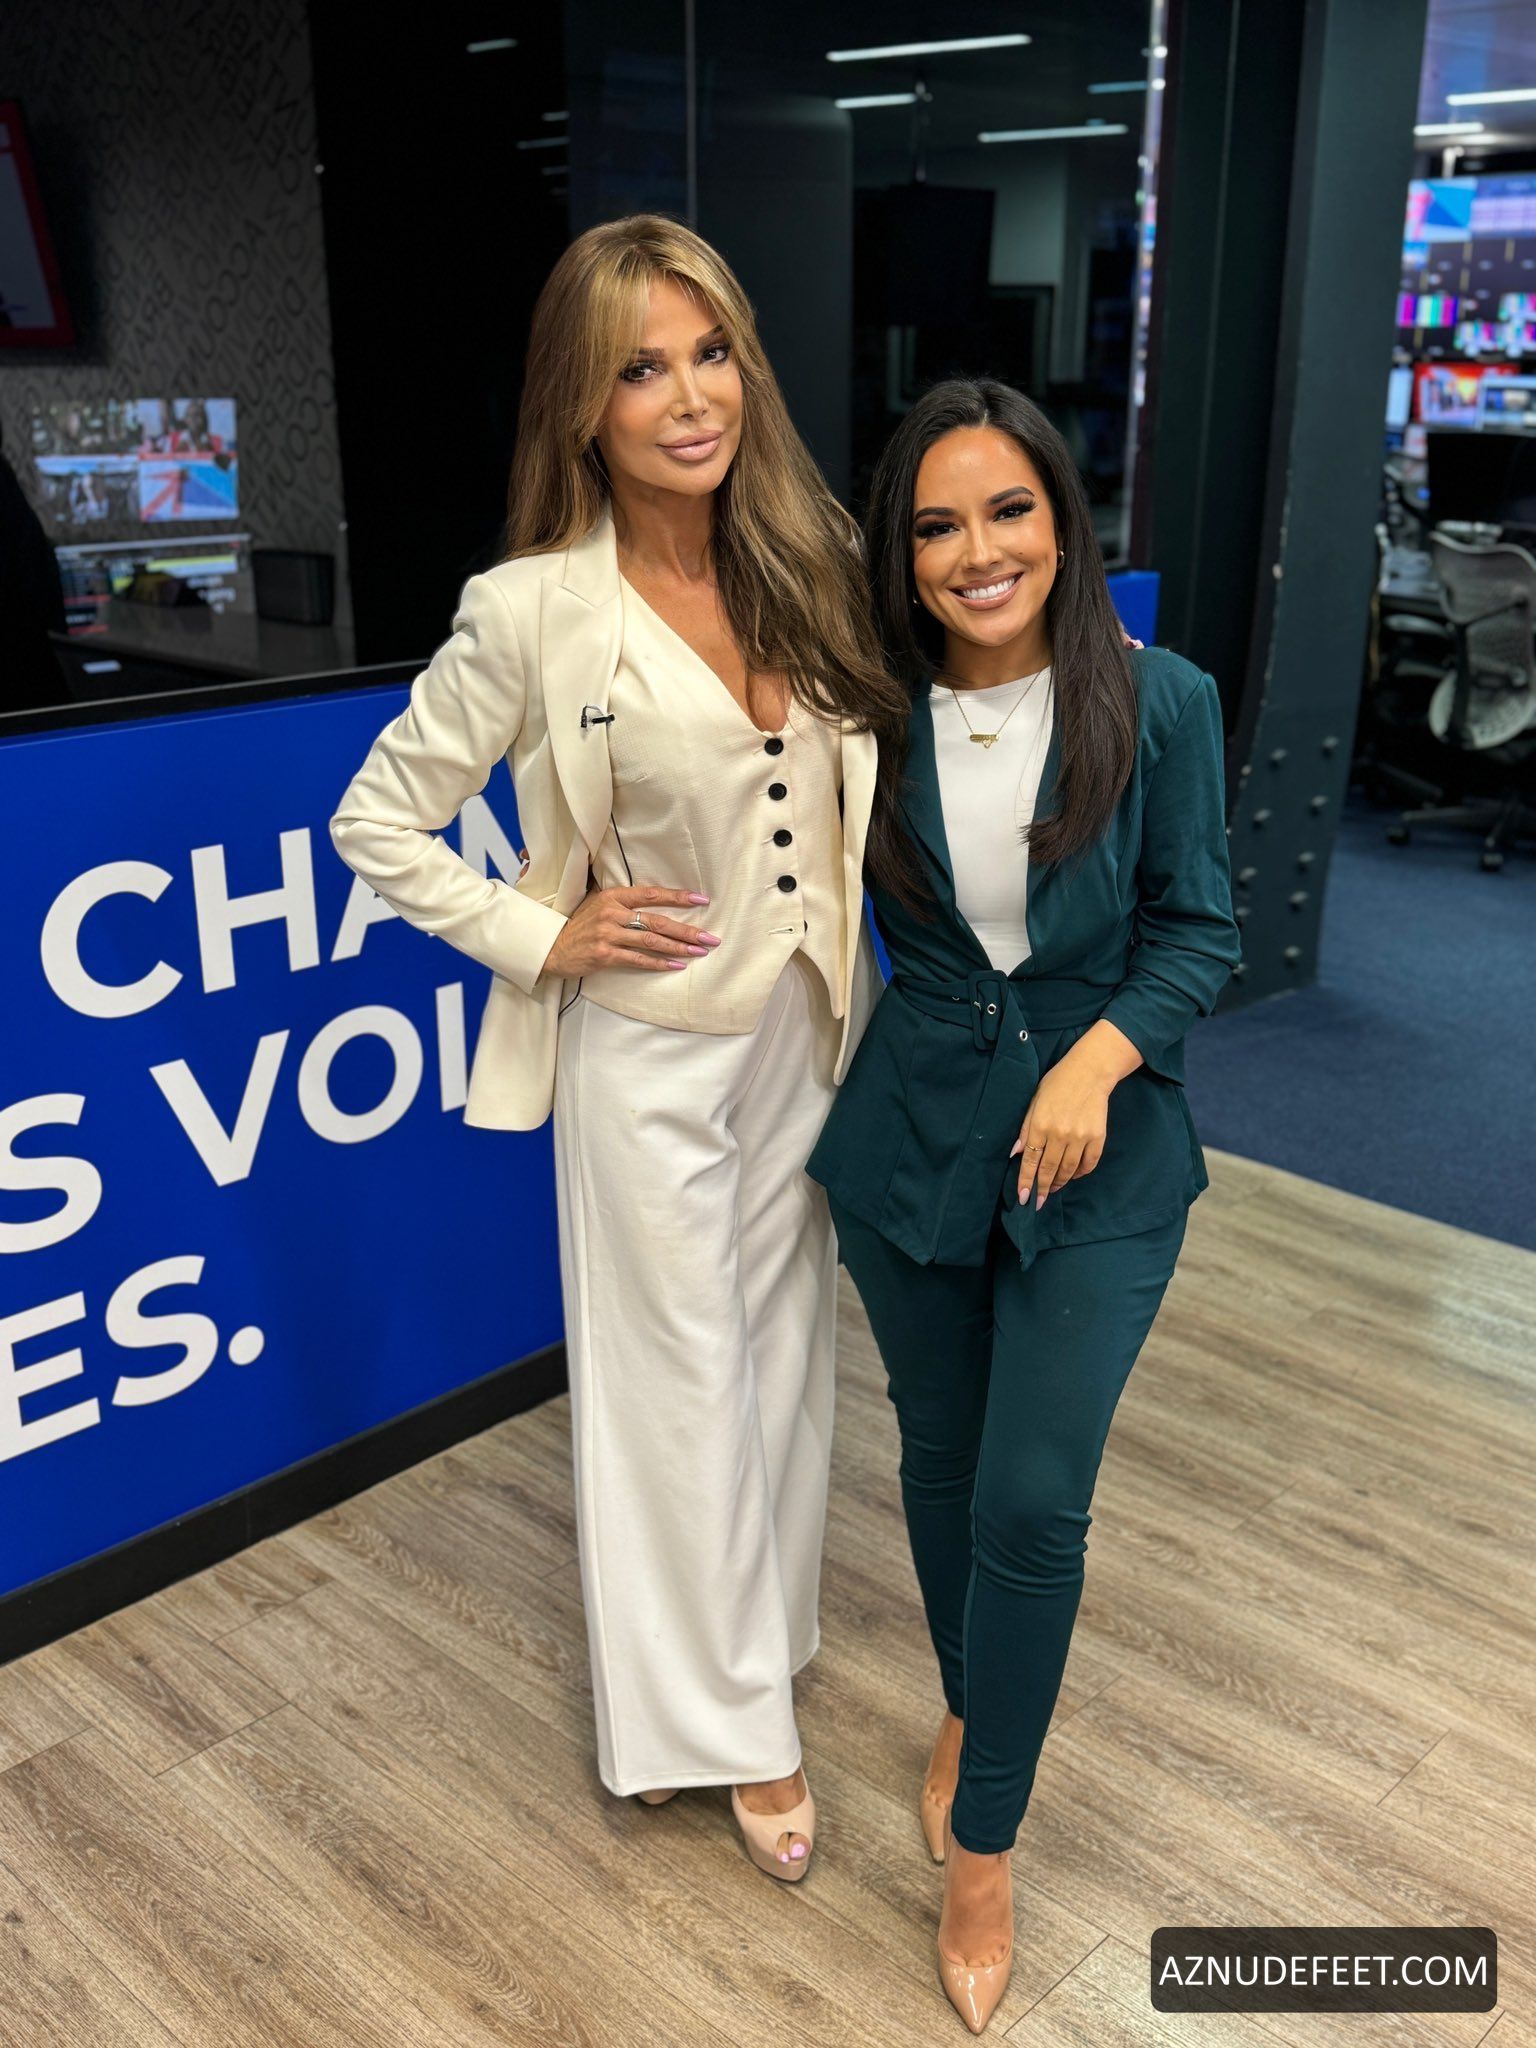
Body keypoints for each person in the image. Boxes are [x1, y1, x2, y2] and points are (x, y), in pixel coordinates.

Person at [327, 215, 916, 1880]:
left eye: (711, 353)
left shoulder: (813, 553)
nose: (690, 396)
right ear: (581, 405)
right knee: (674, 1384)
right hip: (650, 1054)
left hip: (809, 1026)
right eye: (641, 369)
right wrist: (544, 933)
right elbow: (377, 820)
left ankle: (746, 1652)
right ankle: (730, 1732)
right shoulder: (532, 609)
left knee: (784, 1359)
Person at [806, 378, 1241, 2031]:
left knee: (1033, 1499)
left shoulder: (1162, 699)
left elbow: (1200, 928)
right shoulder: (863, 710)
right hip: (912, 1134)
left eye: (1009, 511)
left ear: (1063, 520)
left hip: (1101, 1149)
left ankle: (984, 1850)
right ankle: (970, 1705)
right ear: (899, 553)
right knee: (937, 1459)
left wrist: (1100, 1061)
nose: (977, 552)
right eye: (936, 525)